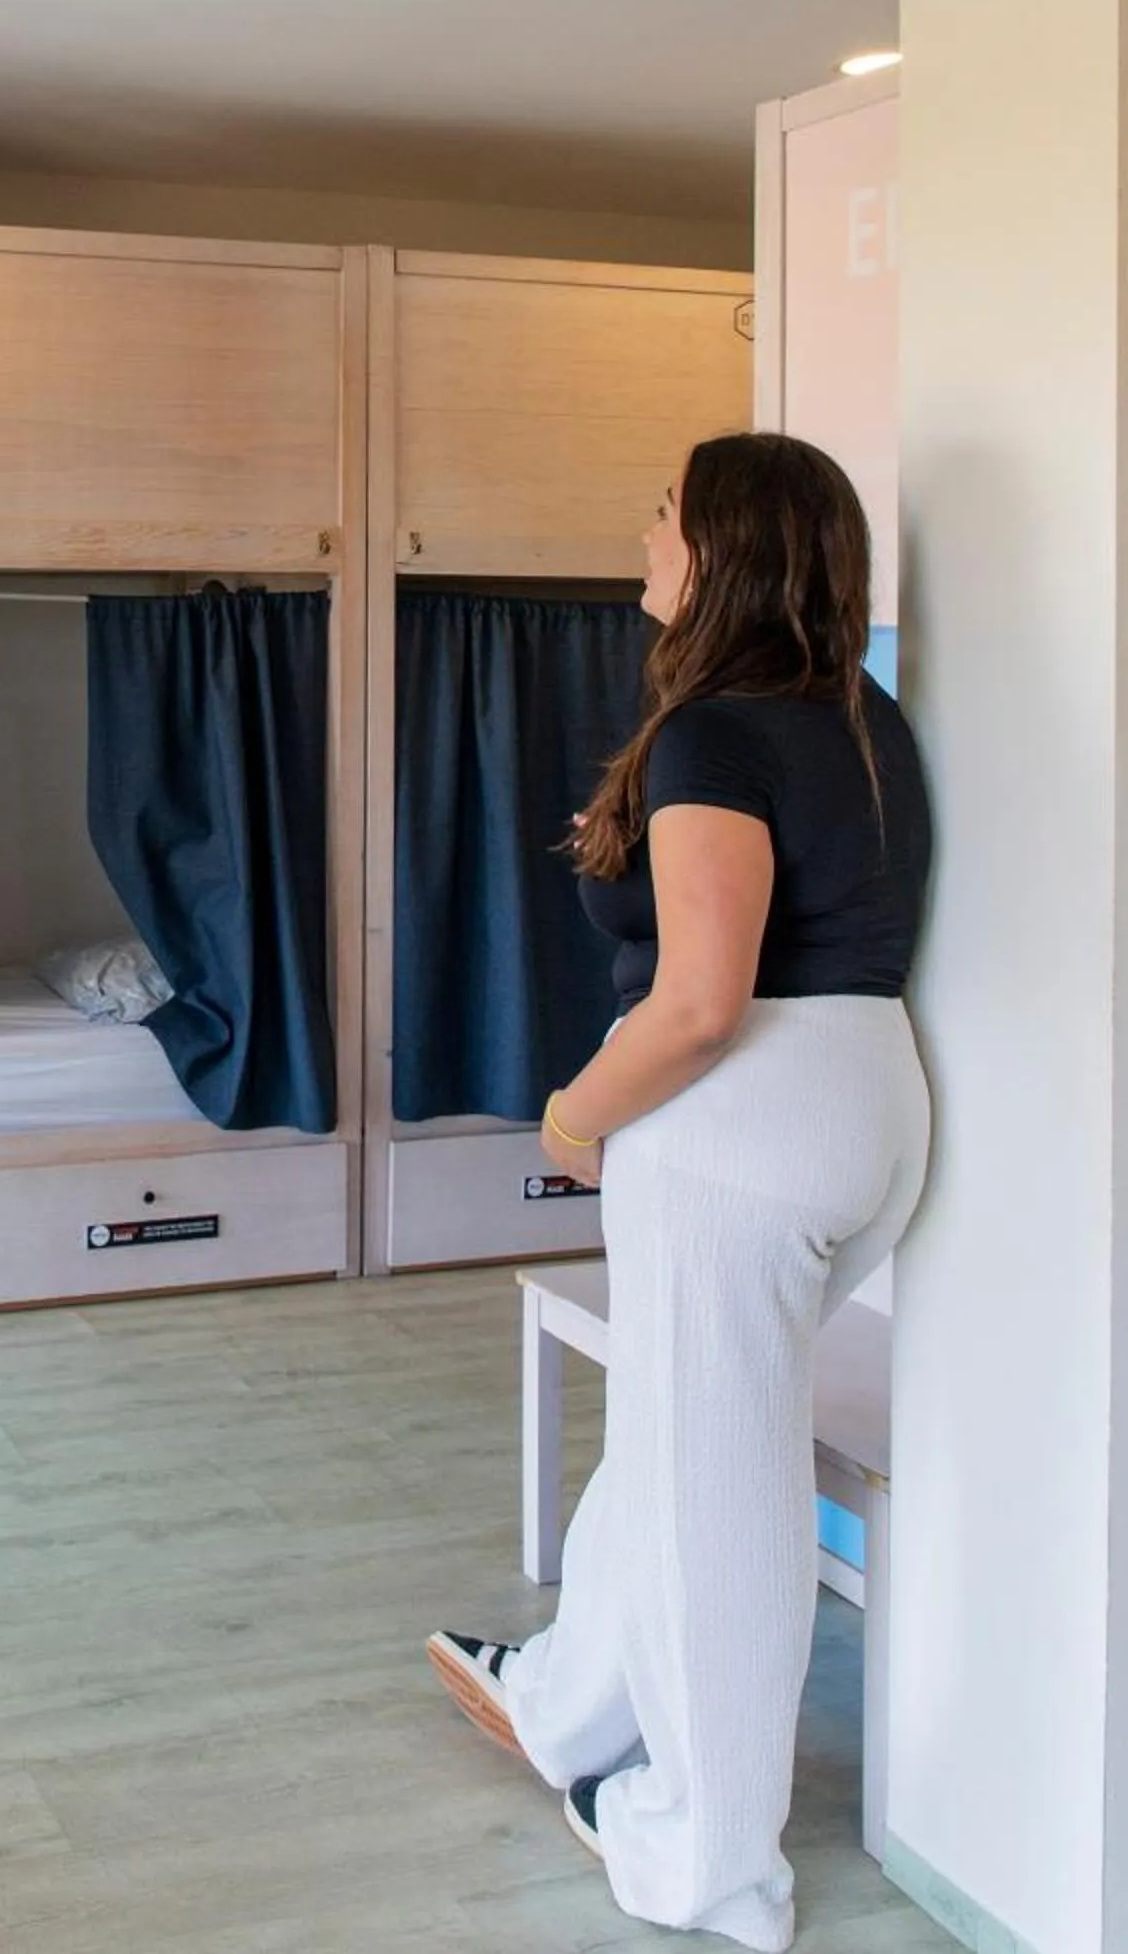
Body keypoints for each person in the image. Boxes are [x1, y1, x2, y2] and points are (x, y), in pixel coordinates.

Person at [424, 431, 931, 1953]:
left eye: (664, 513)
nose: (644, 533)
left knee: (721, 1487)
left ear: (721, 550)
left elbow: (705, 999)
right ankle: (571, 1699)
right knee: (680, 1440)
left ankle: (710, 1866)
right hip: (870, 1103)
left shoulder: (716, 731)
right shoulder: (868, 717)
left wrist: (578, 1112)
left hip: (745, 1123)